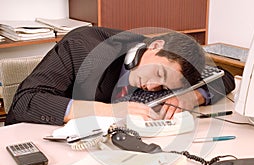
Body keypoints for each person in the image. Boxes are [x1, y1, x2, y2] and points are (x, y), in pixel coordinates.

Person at [5, 26, 235, 126]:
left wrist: (190, 97)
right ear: (154, 45)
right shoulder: (81, 47)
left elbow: (225, 77)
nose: (153, 86)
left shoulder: (175, 67)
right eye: (158, 73)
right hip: (44, 137)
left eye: (164, 85)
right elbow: (26, 102)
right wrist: (110, 111)